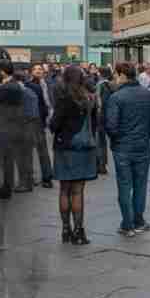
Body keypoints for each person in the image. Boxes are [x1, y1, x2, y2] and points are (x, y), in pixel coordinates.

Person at [104, 62, 150, 237]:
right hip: (142, 146)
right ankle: (139, 220)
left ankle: (127, 224)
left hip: (122, 147)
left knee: (124, 185)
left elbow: (111, 126)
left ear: (122, 75)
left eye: (116, 75)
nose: (114, 78)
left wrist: (118, 139)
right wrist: (145, 136)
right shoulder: (149, 95)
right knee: (140, 185)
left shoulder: (116, 97)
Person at [50, 65, 98, 245]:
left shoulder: (63, 99)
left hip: (65, 147)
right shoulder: (90, 99)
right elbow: (94, 124)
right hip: (84, 147)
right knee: (78, 191)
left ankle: (65, 231)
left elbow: (54, 125)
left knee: (64, 190)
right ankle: (79, 232)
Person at [0, 61, 27, 199]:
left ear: (3, 71)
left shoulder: (5, 88)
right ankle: (7, 189)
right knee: (8, 160)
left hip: (3, 127)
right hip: (13, 127)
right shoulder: (16, 85)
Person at [29, 65, 54, 188]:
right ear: (31, 72)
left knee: (43, 150)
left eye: (40, 69)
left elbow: (51, 101)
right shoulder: (29, 85)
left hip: (45, 120)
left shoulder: (48, 84)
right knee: (33, 150)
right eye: (35, 69)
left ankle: (47, 177)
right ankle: (32, 176)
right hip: (34, 120)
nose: (38, 71)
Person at [95, 66, 114, 175]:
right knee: (104, 142)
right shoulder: (112, 84)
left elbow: (98, 102)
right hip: (109, 115)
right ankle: (103, 164)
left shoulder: (99, 85)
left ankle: (99, 164)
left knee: (99, 141)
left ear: (100, 73)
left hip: (100, 116)